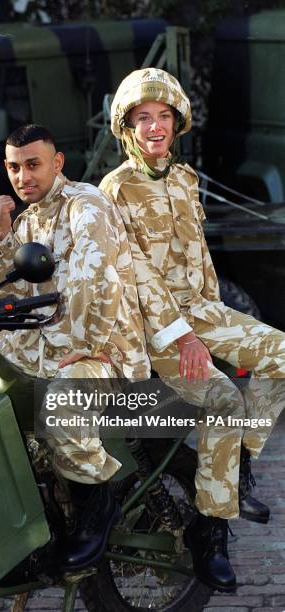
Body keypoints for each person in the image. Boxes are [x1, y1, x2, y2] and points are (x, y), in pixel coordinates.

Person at [100, 67, 285, 592]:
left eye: (164, 117)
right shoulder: (113, 192)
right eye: (143, 119)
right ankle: (211, 533)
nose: (155, 127)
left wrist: (215, 323)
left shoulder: (184, 178)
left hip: (204, 310)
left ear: (176, 124)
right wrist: (185, 338)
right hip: (153, 327)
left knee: (281, 354)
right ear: (127, 128)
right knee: (224, 399)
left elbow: (199, 260)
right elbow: (134, 277)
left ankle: (243, 463)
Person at [0, 123, 150, 570]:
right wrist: (1, 235)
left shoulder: (86, 206)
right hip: (46, 346)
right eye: (15, 168)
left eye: (34, 165)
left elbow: (95, 283)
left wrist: (87, 344)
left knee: (62, 406)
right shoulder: (27, 218)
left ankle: (97, 507)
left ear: (57, 163)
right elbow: (7, 293)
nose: (24, 177)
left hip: (103, 350)